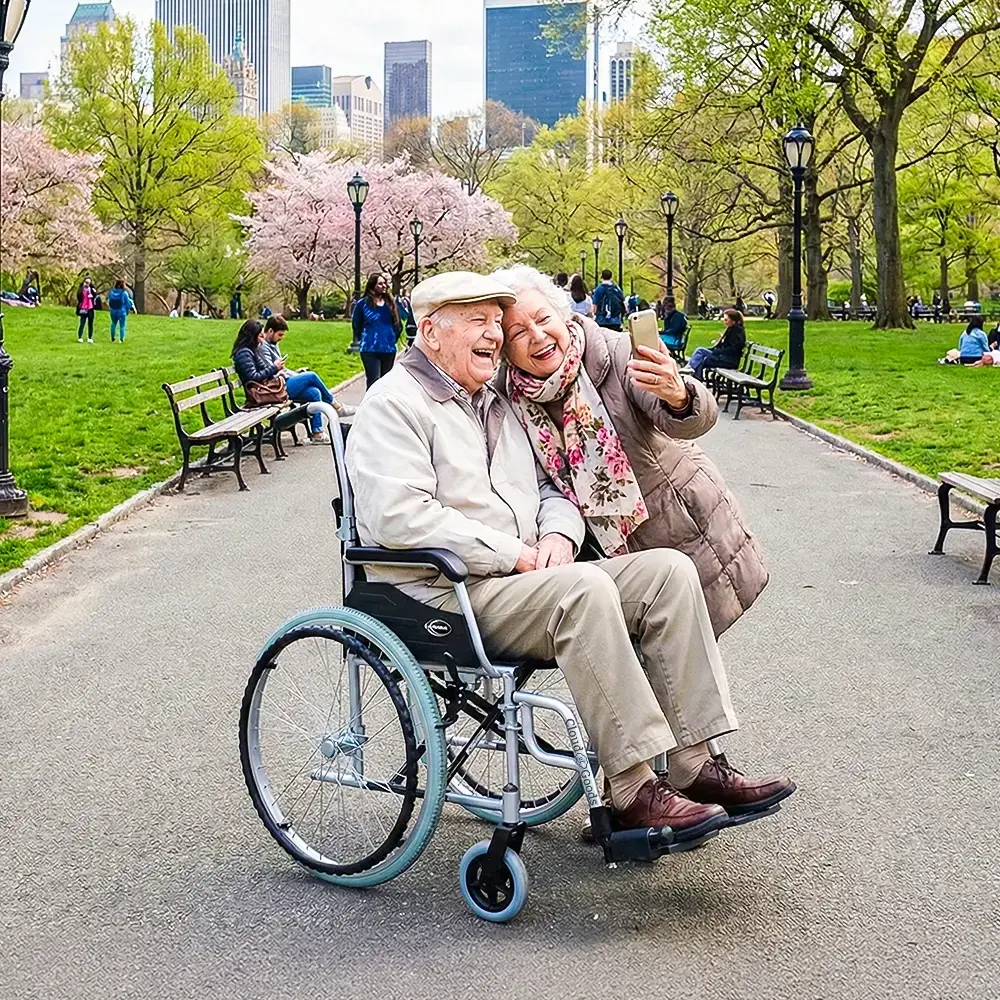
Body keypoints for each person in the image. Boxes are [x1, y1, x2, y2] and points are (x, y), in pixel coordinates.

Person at [346, 270, 794, 838]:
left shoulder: (496, 401)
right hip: (442, 590)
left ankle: (693, 765)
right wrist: (515, 553)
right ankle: (630, 791)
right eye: (480, 322)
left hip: (515, 578)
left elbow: (549, 488)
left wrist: (558, 536)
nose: (495, 335)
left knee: (668, 572)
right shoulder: (394, 403)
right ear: (431, 332)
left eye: (496, 324)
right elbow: (400, 517)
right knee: (586, 588)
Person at [492, 263, 768, 637]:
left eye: (543, 319)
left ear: (563, 315)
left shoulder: (616, 351)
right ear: (505, 349)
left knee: (687, 649)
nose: (538, 336)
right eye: (518, 332)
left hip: (680, 528)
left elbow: (690, 422)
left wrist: (678, 395)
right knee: (656, 656)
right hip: (602, 553)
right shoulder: (506, 397)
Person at [257, 315, 356, 434]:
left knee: (314, 393)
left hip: (282, 382)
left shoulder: (273, 343)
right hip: (275, 388)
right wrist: (294, 376)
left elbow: (281, 369)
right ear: (270, 331)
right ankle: (337, 406)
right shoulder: (263, 347)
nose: (281, 338)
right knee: (311, 376)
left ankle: (317, 433)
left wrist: (296, 374)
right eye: (280, 335)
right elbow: (272, 371)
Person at [352, 273, 403, 389]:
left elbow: (398, 325)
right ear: (372, 286)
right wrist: (364, 338)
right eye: (380, 284)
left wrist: (392, 338)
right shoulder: (362, 304)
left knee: (386, 383)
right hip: (370, 349)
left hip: (388, 349)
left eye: (385, 283)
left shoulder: (390, 304)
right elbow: (356, 324)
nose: (384, 286)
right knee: (374, 381)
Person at [689, 308, 747, 382]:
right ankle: (693, 375)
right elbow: (723, 345)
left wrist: (717, 352)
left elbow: (733, 349)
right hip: (723, 357)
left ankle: (694, 377)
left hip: (729, 361)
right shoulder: (731, 329)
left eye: (726, 320)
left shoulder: (736, 332)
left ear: (733, 321)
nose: (724, 322)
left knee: (701, 358)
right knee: (700, 352)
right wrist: (714, 349)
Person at [76, 276, 97, 343]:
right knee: (82, 323)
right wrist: (83, 287)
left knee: (90, 324)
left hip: (90, 308)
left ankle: (90, 337)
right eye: (86, 282)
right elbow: (78, 296)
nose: (87, 283)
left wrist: (92, 291)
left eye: (89, 282)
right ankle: (80, 337)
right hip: (83, 308)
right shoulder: (81, 289)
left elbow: (95, 295)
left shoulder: (92, 289)